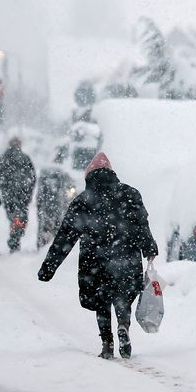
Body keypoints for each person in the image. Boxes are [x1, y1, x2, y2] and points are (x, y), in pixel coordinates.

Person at [37, 152, 157, 359]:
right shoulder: (130, 194)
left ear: (88, 177)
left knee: (102, 300)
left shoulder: (83, 200)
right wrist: (149, 248)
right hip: (126, 257)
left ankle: (107, 342)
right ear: (111, 173)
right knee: (122, 296)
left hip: (95, 259)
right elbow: (141, 225)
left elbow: (65, 237)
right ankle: (123, 326)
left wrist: (49, 267)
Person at [0, 137, 37, 253]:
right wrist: (29, 192)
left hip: (8, 195)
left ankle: (14, 239)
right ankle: (14, 240)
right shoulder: (24, 158)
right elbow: (32, 177)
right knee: (20, 218)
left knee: (13, 218)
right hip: (22, 194)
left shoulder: (3, 158)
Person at [35, 146, 74, 248]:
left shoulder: (49, 170)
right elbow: (69, 184)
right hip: (56, 203)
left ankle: (44, 244)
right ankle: (53, 244)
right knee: (56, 224)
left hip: (48, 202)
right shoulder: (59, 171)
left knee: (46, 224)